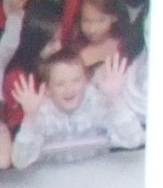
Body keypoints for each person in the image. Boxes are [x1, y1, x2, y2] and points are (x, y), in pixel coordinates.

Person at [9, 46, 145, 166]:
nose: (69, 89)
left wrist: (116, 99)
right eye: (60, 84)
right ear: (48, 90)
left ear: (86, 81)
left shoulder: (98, 101)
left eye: (76, 80)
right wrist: (30, 117)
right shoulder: (41, 111)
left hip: (98, 176)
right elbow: (21, 161)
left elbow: (134, 140)